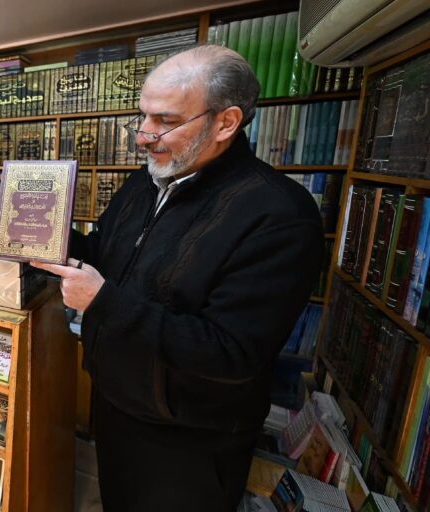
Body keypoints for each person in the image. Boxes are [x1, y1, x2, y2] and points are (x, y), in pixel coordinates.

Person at [32, 45, 324, 511]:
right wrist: (42, 237)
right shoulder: (144, 182)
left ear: (226, 123)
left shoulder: (279, 214)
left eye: (165, 121)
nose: (143, 137)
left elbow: (232, 353)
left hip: (189, 442)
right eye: (142, 117)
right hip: (115, 404)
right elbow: (105, 254)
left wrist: (103, 302)